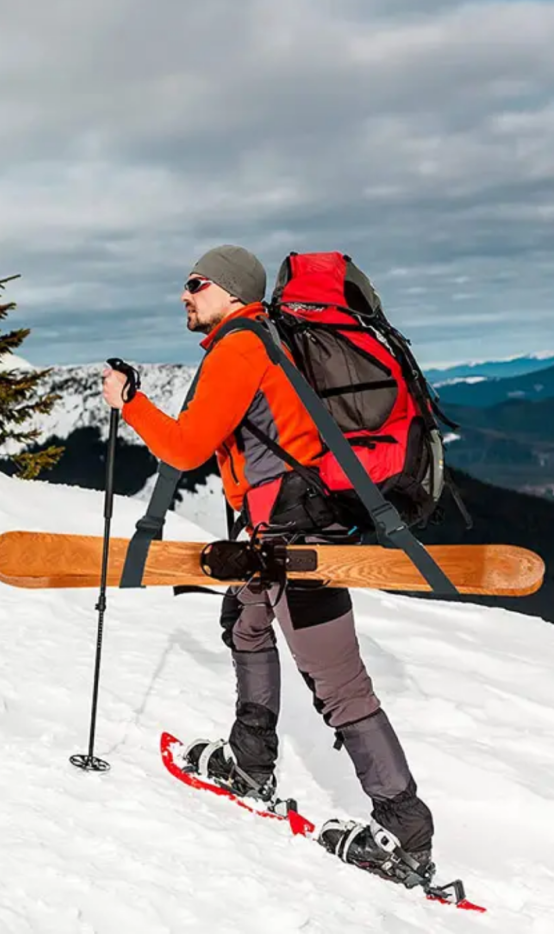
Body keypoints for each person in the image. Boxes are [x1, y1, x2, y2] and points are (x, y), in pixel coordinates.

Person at [101, 244, 436, 884]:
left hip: (300, 533)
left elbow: (186, 447)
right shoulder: (257, 341)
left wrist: (131, 402)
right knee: (246, 624)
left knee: (337, 682)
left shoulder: (242, 346)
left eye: (195, 284)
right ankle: (251, 761)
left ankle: (404, 834)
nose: (185, 295)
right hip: (276, 527)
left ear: (229, 291)